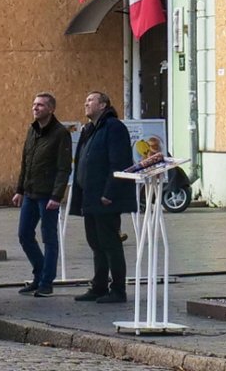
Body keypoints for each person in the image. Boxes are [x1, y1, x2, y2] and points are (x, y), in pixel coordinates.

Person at [69, 91, 136, 304]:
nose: (86, 103)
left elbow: (119, 162)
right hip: (89, 195)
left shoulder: (113, 127)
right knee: (95, 243)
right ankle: (98, 286)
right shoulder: (89, 129)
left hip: (104, 197)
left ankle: (118, 289)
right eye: (85, 100)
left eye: (91, 100)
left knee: (110, 243)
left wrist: (110, 192)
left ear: (103, 105)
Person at [11, 92, 72, 297]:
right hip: (30, 192)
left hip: (48, 195)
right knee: (24, 235)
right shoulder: (32, 130)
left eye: (40, 105)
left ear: (51, 109)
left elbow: (64, 168)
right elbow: (25, 162)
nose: (35, 108)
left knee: (49, 238)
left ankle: (47, 282)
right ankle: (39, 273)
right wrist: (20, 190)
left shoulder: (60, 133)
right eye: (34, 104)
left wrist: (57, 196)